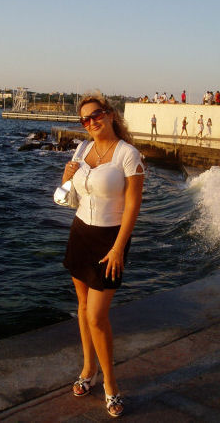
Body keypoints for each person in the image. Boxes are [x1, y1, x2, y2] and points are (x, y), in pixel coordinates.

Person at [62, 91, 145, 418]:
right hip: (80, 233)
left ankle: (111, 384)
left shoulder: (128, 155)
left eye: (96, 115)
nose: (91, 122)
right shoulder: (83, 149)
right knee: (83, 308)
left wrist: (118, 248)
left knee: (97, 316)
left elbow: (133, 206)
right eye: (85, 120)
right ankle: (88, 369)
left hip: (110, 240)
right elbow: (73, 193)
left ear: (110, 114)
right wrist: (66, 177)